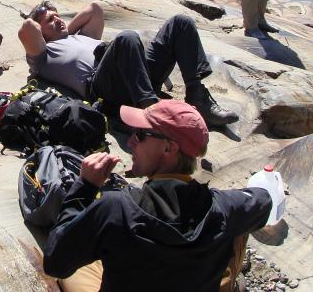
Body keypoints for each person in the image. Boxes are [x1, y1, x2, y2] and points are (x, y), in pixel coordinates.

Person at [43, 100, 272, 292]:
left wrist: (84, 187)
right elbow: (264, 199)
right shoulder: (225, 206)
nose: (130, 141)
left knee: (80, 263)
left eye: (141, 134)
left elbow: (54, 262)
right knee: (238, 227)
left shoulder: (115, 208)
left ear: (169, 148)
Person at [18, 1, 238, 127]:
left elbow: (94, 9)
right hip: (104, 88)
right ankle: (151, 110)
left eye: (58, 16)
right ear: (40, 33)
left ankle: (197, 95)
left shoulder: (82, 37)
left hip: (137, 74)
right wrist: (43, 23)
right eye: (51, 20)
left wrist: (65, 29)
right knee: (127, 38)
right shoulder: (43, 56)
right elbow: (27, 27)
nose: (58, 19)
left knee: (180, 22)